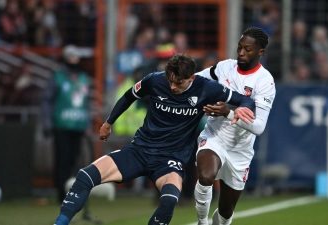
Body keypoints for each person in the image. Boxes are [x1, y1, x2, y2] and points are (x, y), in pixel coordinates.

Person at [53, 53, 256, 225]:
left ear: (191, 78)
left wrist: (231, 111)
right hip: (140, 150)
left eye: (179, 83)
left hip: (170, 159)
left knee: (168, 201)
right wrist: (109, 122)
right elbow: (128, 96)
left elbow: (246, 100)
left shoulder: (207, 88)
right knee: (85, 176)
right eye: (170, 80)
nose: (173, 86)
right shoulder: (155, 80)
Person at [194, 27, 276, 225]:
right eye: (239, 48)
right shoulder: (224, 67)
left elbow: (259, 127)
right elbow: (196, 78)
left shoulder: (265, 82)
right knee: (206, 177)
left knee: (225, 213)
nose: (241, 53)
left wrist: (228, 112)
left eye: (247, 49)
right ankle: (202, 222)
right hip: (215, 136)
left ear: (260, 52)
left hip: (240, 150)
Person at [42, 44, 91, 204]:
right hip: (61, 125)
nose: (74, 59)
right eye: (71, 56)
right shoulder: (57, 77)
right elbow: (48, 101)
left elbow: (86, 103)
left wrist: (87, 124)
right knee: (62, 160)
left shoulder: (83, 78)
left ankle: (72, 191)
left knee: (74, 159)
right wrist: (48, 123)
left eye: (76, 56)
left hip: (78, 125)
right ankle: (61, 193)